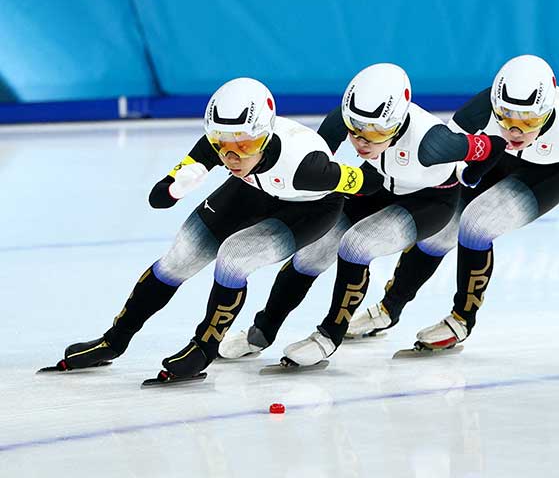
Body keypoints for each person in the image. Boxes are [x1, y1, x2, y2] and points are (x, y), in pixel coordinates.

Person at [48, 77, 380, 382]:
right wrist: (175, 187)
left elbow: (367, 183)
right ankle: (114, 341)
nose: (232, 156)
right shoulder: (225, 138)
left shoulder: (309, 168)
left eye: (245, 145)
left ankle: (204, 348)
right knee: (179, 258)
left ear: (265, 136)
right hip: (252, 189)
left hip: (310, 207)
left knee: (235, 257)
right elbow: (157, 198)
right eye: (222, 145)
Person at [220, 63, 507, 366]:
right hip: (378, 183)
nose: (362, 141)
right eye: (355, 130)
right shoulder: (348, 117)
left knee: (357, 245)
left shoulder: (434, 143)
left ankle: (329, 335)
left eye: (376, 132)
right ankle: (263, 330)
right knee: (313, 252)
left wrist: (470, 177)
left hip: (431, 199)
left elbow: (495, 146)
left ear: (398, 122)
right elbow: (313, 157)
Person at [346, 54, 559, 350]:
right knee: (442, 229)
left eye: (529, 121)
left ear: (548, 111)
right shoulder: (482, 108)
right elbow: (451, 151)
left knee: (478, 224)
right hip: (497, 158)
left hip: (550, 171)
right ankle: (388, 309)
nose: (515, 131)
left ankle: (462, 319)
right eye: (506, 117)